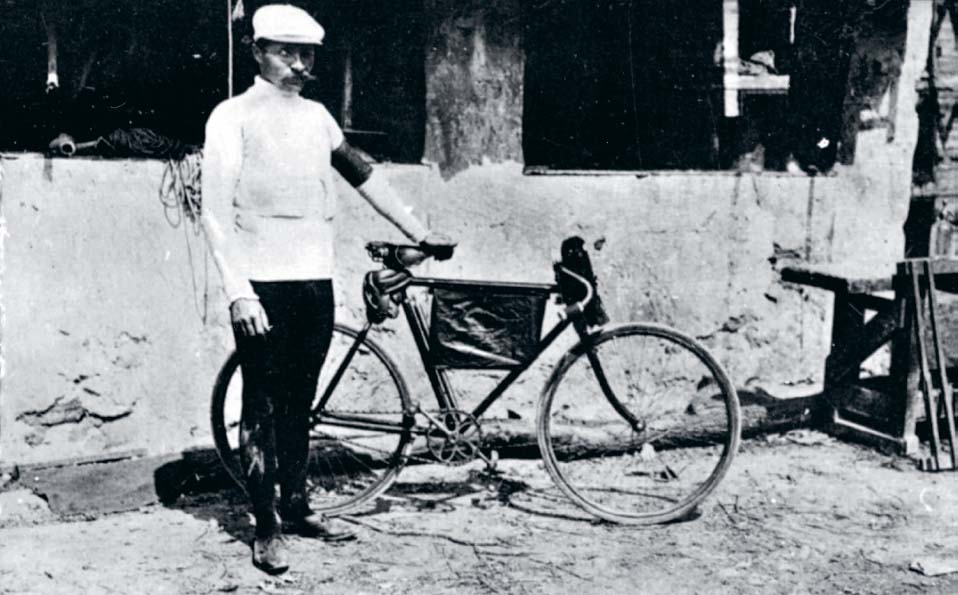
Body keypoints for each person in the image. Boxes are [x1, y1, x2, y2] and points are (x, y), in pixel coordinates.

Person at [200, 4, 455, 575]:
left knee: (300, 403)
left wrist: (418, 231)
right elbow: (214, 212)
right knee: (262, 405)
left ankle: (297, 506)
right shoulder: (232, 117)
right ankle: (264, 525)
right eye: (284, 52)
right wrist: (239, 291)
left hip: (313, 280)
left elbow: (363, 173)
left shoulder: (318, 118)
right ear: (256, 51)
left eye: (306, 55)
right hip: (262, 284)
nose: (297, 64)